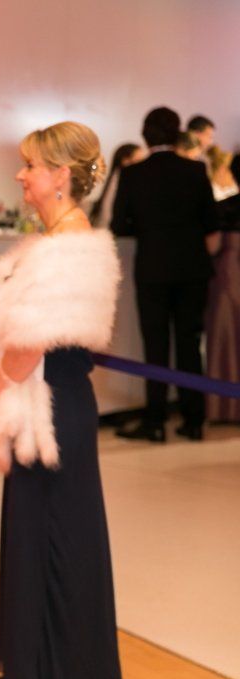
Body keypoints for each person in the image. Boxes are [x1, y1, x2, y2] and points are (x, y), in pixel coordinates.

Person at [0, 121, 122, 679]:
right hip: (50, 408)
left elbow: (30, 344)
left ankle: (56, 670)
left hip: (49, 413)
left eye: (30, 165)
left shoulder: (67, 248)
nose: (20, 175)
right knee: (41, 536)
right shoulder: (64, 241)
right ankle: (38, 666)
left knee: (55, 540)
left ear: (60, 176)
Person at [112, 106, 219, 442]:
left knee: (155, 345)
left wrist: (147, 229)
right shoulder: (196, 170)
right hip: (192, 269)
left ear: (145, 135)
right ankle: (194, 420)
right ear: (177, 134)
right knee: (190, 343)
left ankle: (155, 421)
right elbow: (211, 221)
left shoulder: (134, 174)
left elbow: (118, 224)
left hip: (153, 269)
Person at [204, 145, 240, 422]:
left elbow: (212, 246)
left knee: (226, 338)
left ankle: (227, 407)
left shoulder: (225, 207)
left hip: (230, 275)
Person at [88, 142, 144, 227]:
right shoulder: (120, 180)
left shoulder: (116, 178)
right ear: (126, 161)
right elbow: (109, 216)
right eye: (139, 162)